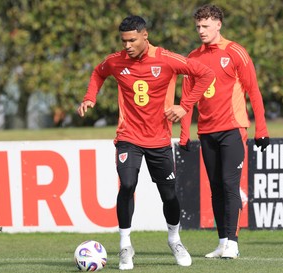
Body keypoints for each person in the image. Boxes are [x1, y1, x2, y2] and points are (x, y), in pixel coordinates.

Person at [77, 15, 214, 270]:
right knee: (127, 185)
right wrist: (89, 97)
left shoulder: (166, 59)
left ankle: (174, 239)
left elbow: (205, 74)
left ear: (144, 36)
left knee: (169, 195)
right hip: (128, 137)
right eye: (123, 40)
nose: (127, 45)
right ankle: (125, 245)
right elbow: (98, 72)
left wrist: (184, 106)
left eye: (131, 40)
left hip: (159, 140)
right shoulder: (116, 61)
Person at [180, 4, 270, 259]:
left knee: (231, 185)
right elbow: (187, 100)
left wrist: (261, 129)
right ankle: (222, 242)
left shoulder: (235, 52)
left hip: (232, 130)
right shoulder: (193, 58)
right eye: (198, 26)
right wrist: (185, 133)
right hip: (206, 133)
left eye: (206, 26)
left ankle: (233, 242)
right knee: (216, 188)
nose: (201, 30)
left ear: (218, 24)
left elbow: (254, 91)